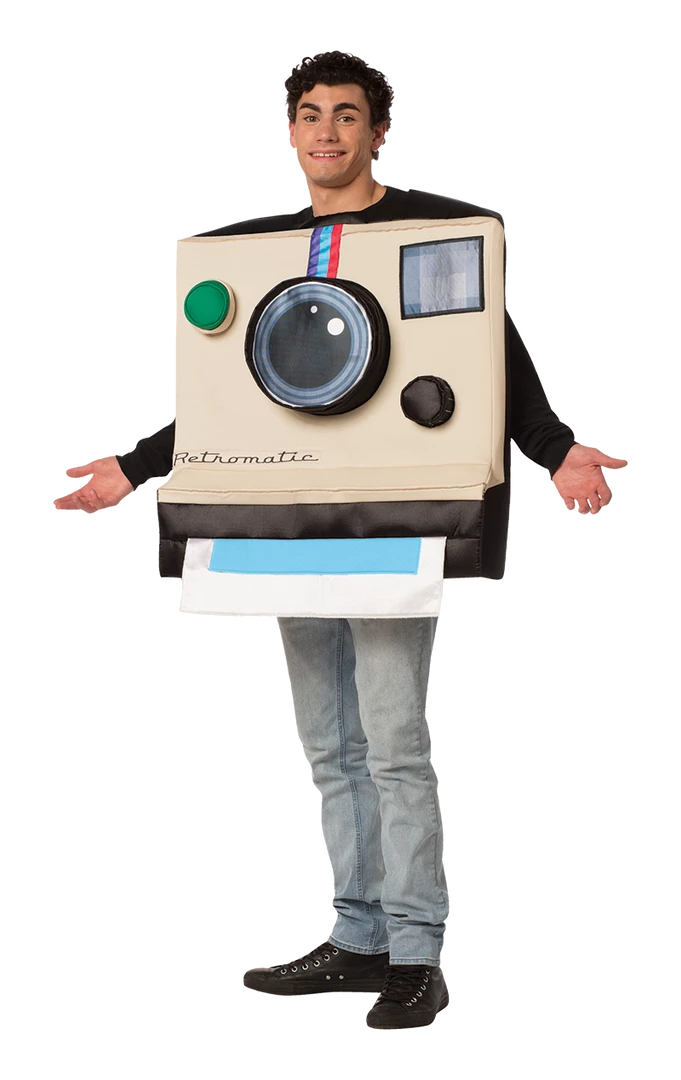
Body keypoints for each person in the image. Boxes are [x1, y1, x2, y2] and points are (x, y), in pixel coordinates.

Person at [51, 51, 629, 1030]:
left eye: (347, 114)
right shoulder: (262, 257)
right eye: (310, 113)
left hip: (393, 521)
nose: (327, 130)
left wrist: (560, 453)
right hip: (286, 519)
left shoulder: (433, 235)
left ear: (378, 132)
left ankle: (417, 956)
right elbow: (231, 403)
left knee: (394, 745)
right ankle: (357, 940)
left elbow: (495, 375)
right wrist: (133, 468)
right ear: (289, 131)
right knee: (329, 747)